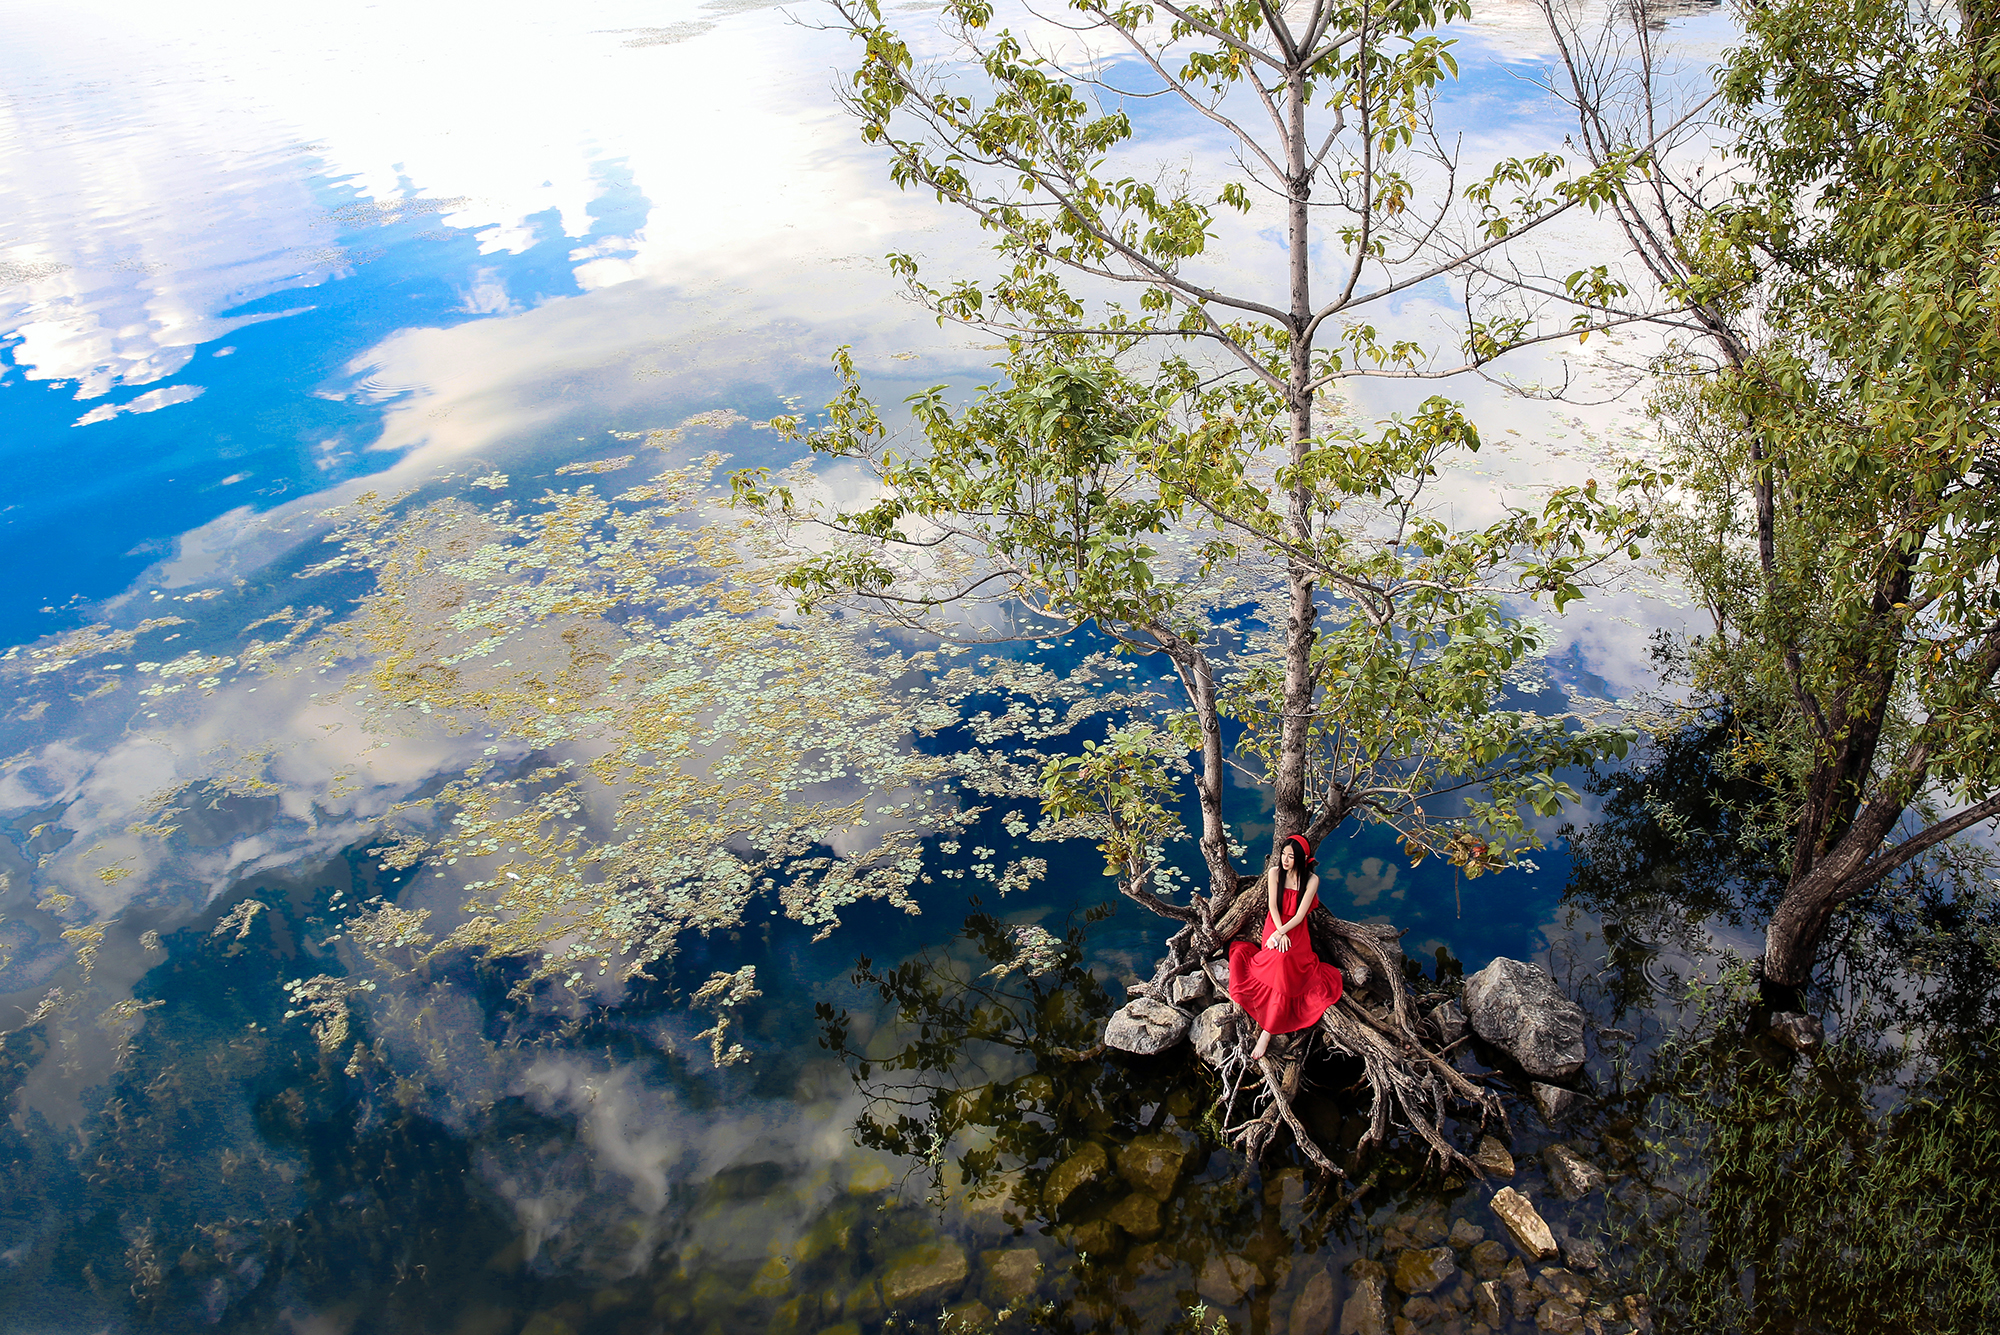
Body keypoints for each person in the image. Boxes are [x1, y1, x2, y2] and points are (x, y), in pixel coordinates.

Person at [1227, 833, 1344, 1059]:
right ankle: (1268, 1024)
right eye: (1283, 855)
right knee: (1277, 960)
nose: (1285, 860)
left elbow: (1300, 915)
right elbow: (1272, 905)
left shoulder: (1311, 880)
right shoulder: (1274, 873)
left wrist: (1282, 934)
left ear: (1301, 859)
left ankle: (1267, 1031)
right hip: (1276, 923)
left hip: (1295, 930)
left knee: (1285, 961)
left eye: (1290, 857)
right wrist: (1277, 932)